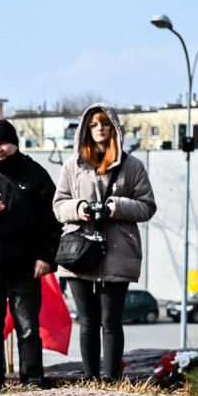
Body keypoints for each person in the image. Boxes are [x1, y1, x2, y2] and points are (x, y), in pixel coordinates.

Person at [53, 104, 156, 381]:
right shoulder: (72, 166)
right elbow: (58, 205)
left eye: (105, 124)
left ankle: (111, 378)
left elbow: (147, 207)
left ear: (115, 129)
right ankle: (90, 377)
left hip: (118, 253)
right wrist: (79, 208)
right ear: (87, 129)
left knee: (111, 322)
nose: (100, 129)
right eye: (94, 124)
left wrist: (115, 207)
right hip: (80, 252)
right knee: (87, 322)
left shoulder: (132, 166)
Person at [0, 119, 61, 394]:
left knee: (28, 329)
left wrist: (46, 258)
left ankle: (32, 380)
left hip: (26, 267)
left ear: (15, 144)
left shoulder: (35, 174)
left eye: (3, 144)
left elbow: (52, 222)